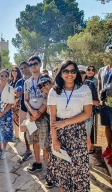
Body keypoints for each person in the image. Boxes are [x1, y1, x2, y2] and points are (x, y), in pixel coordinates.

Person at [46, 60, 92, 191]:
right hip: (59, 132)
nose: (69, 74)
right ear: (60, 73)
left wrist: (65, 122)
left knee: (79, 170)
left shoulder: (84, 89)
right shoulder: (53, 92)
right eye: (66, 71)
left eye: (72, 71)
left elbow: (87, 113)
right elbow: (53, 117)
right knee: (62, 170)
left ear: (76, 73)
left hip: (77, 133)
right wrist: (54, 139)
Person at [24, 55, 49, 173]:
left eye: (35, 63)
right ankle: (38, 163)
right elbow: (25, 99)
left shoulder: (46, 80)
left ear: (40, 64)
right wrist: (32, 112)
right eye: (31, 64)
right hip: (32, 118)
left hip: (43, 117)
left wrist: (38, 112)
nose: (33, 66)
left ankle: (50, 170)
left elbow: (49, 98)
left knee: (45, 144)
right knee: (34, 141)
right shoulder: (27, 82)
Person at [0, 69, 15, 159]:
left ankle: (3, 150)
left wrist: (2, 113)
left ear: (8, 77)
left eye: (5, 76)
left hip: (6, 114)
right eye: (2, 75)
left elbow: (10, 103)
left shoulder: (10, 89)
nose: (4, 77)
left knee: (5, 133)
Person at [78, 65, 99, 154]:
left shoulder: (90, 84)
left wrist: (84, 100)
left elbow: (96, 102)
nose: (81, 74)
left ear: (85, 74)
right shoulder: (71, 85)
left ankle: (85, 160)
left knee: (87, 137)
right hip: (75, 115)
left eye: (82, 72)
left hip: (87, 115)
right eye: (78, 73)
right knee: (77, 137)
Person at [15, 61, 33, 161]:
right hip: (23, 108)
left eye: (25, 67)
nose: (23, 69)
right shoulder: (19, 82)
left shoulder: (35, 79)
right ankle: (28, 150)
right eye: (21, 68)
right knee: (24, 129)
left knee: (36, 130)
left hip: (35, 109)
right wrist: (17, 94)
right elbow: (16, 95)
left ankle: (38, 150)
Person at [98, 59, 112, 166]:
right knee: (107, 127)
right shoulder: (102, 70)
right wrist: (100, 99)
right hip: (104, 104)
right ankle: (109, 148)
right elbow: (99, 86)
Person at [86, 65, 99, 149]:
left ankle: (92, 145)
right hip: (84, 108)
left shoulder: (96, 81)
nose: (91, 71)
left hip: (93, 107)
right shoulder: (82, 80)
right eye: (89, 69)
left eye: (92, 70)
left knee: (93, 127)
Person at [10, 66, 22, 142]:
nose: (14, 72)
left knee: (16, 119)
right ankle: (15, 135)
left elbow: (20, 94)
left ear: (18, 72)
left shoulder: (20, 81)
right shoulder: (11, 81)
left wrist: (15, 102)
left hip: (17, 103)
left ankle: (17, 136)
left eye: (16, 70)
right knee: (13, 119)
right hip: (11, 103)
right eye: (13, 70)